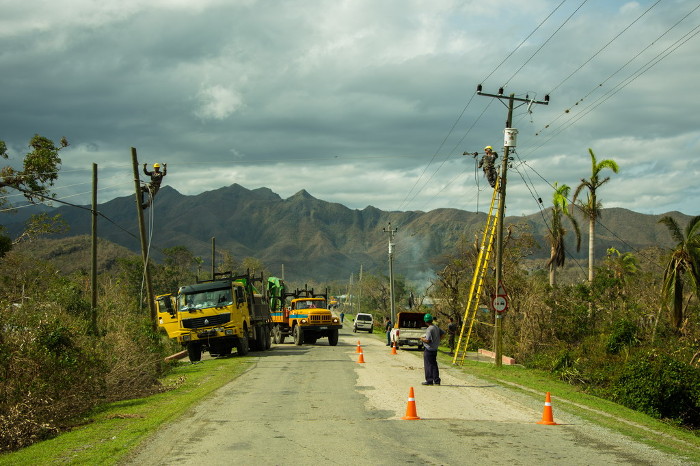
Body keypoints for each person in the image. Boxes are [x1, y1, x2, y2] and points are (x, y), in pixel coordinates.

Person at [420, 313, 444, 385]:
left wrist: (422, 339)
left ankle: (429, 380)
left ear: (425, 321)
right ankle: (437, 380)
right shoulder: (436, 327)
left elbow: (428, 340)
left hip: (429, 349)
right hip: (434, 349)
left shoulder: (429, 329)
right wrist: (438, 340)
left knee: (428, 365)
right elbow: (443, 333)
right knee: (434, 365)